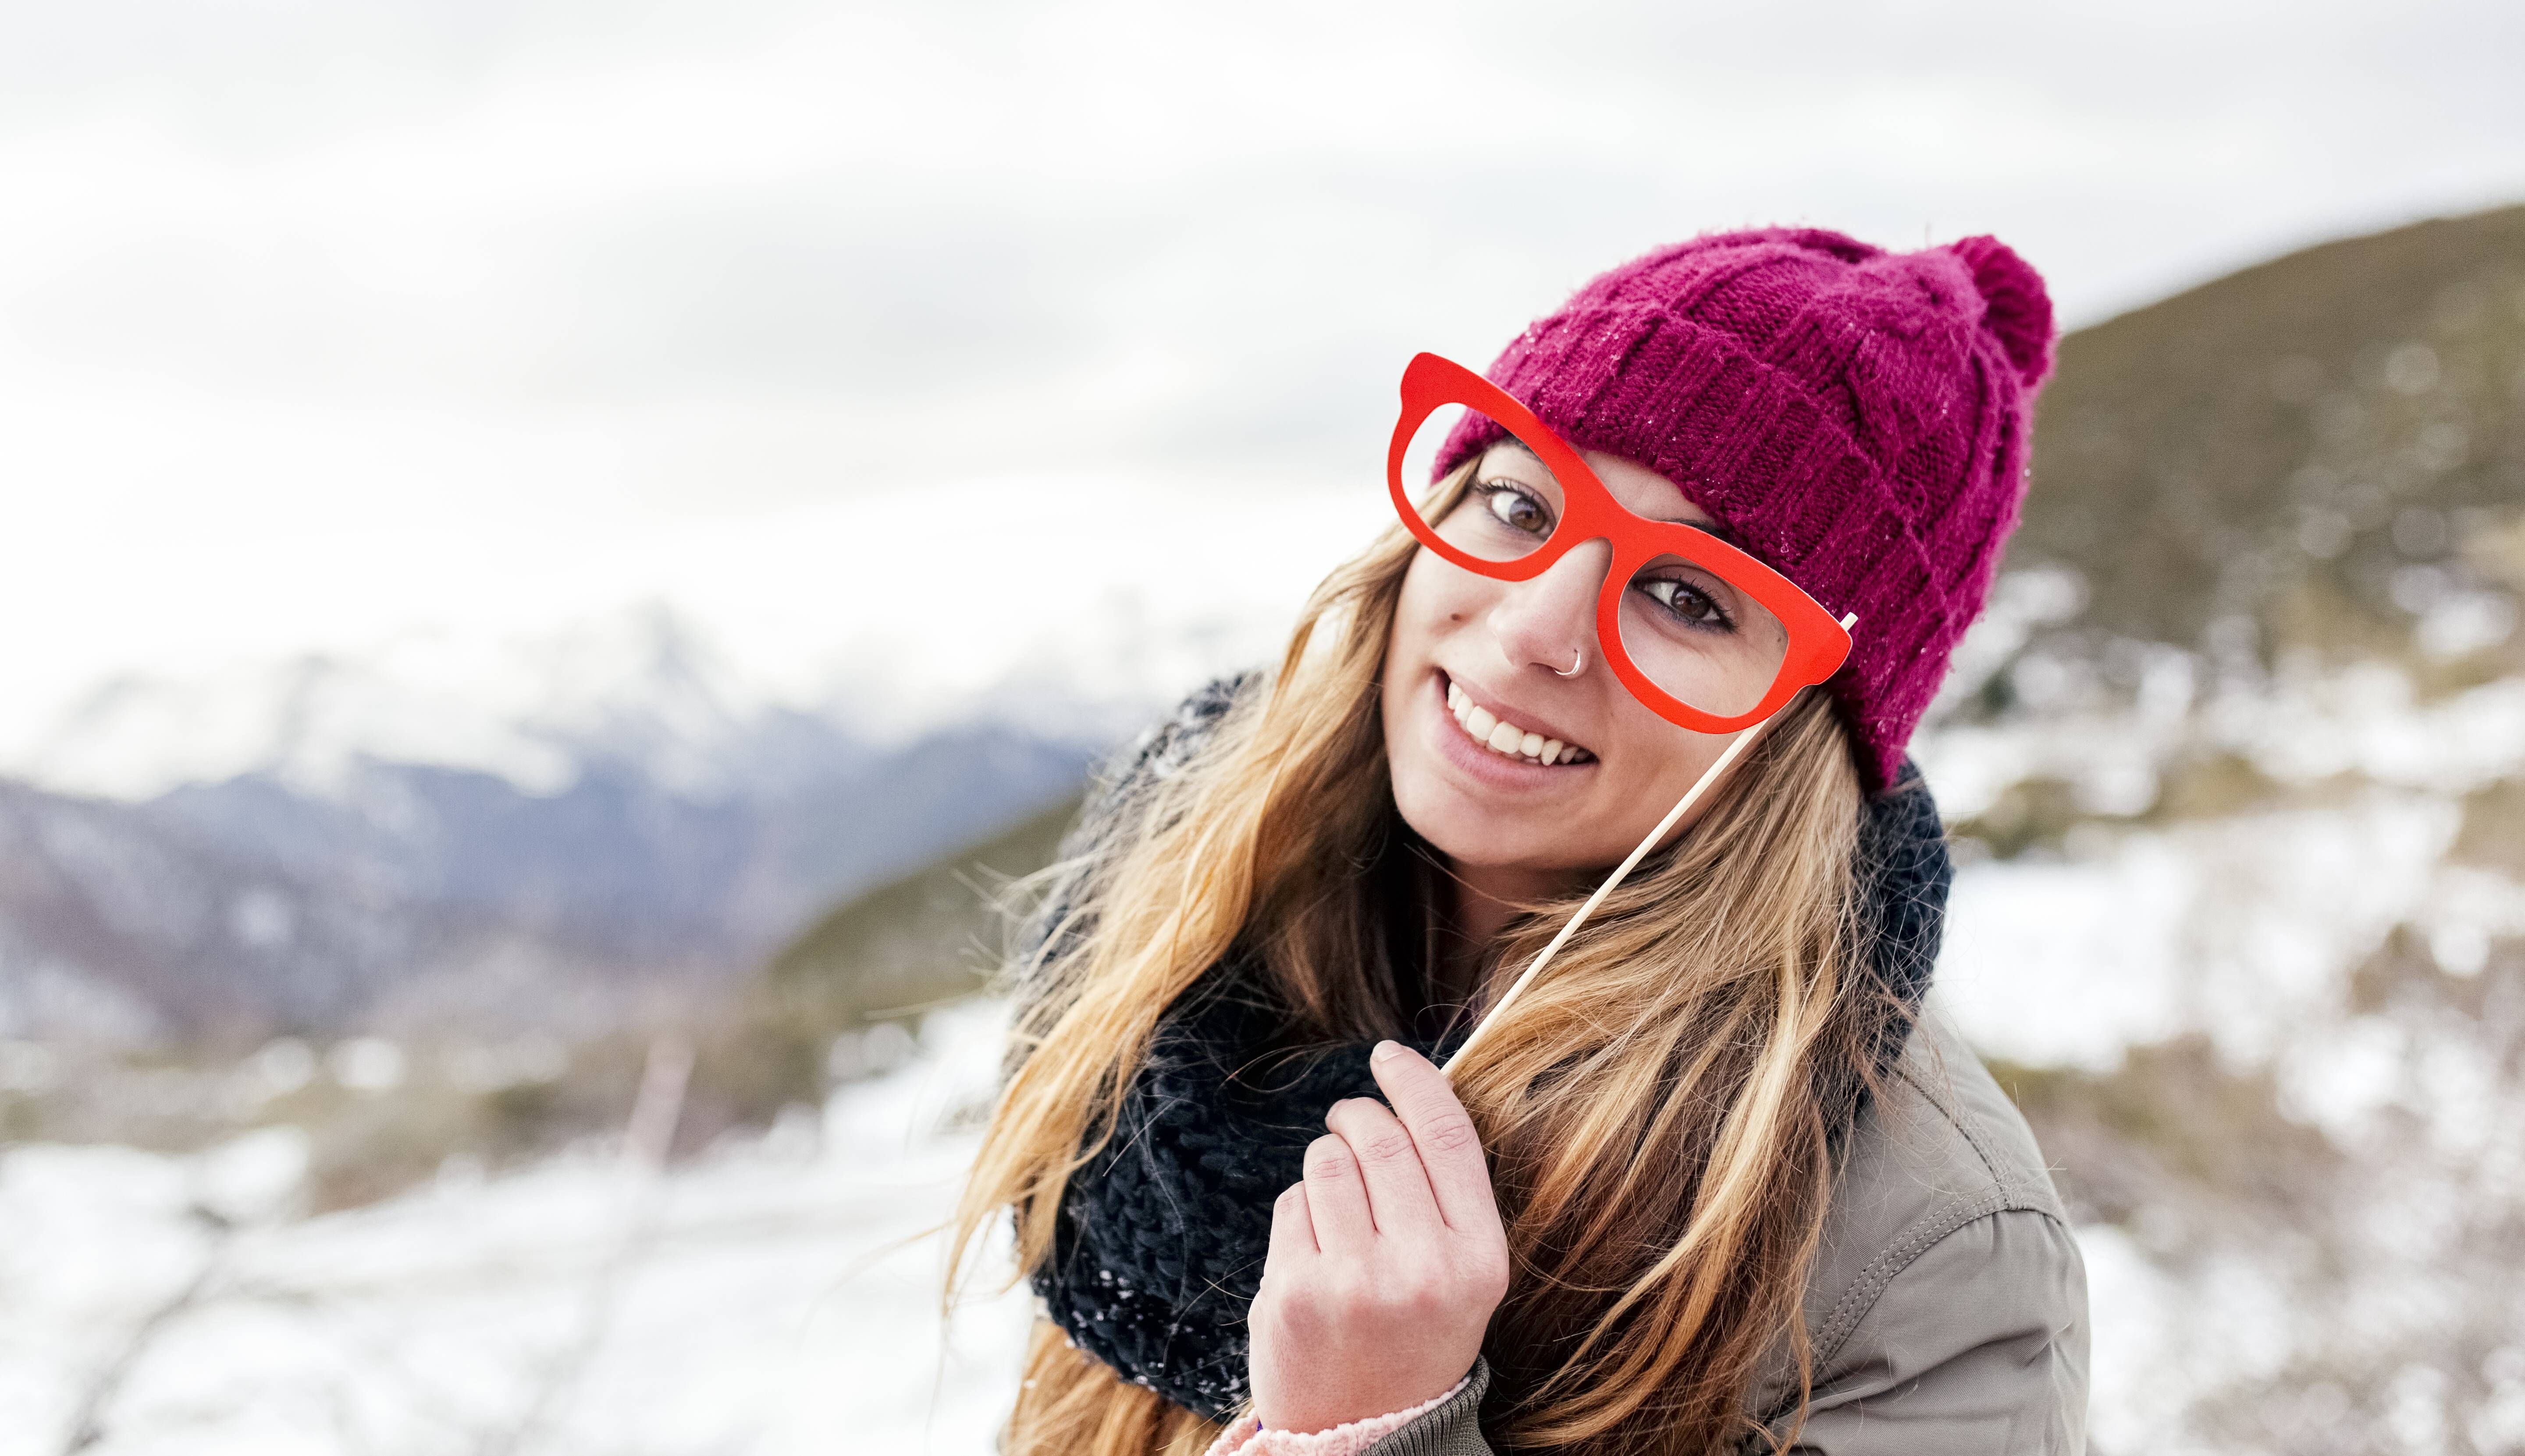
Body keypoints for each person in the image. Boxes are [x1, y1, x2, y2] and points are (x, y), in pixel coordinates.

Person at [952, 227, 2088, 1455]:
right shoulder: (1177, 931)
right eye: (1520, 502)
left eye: (1689, 597)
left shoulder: (1934, 1261)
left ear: (1803, 732)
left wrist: (1384, 1433)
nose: (1536, 628)